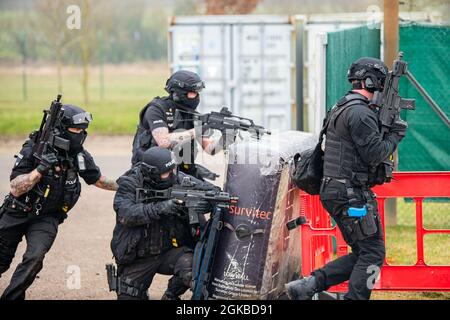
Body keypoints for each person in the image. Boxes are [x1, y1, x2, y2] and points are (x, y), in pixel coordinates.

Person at [285, 57, 408, 300]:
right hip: (351, 197)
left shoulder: (342, 106)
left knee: (365, 251)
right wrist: (395, 135)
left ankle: (308, 286)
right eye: (379, 83)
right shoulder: (360, 113)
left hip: (342, 193)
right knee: (372, 253)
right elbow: (374, 154)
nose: (380, 90)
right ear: (371, 81)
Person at [0, 104, 118, 300]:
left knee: (34, 258)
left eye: (83, 131)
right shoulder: (34, 148)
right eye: (75, 130)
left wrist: (127, 185)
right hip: (17, 211)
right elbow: (15, 187)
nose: (80, 135)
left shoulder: (78, 154)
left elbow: (99, 180)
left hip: (46, 217)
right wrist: (39, 170)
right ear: (62, 129)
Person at [111, 146, 212, 300]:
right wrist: (162, 208)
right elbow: (126, 214)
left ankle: (171, 295)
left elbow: (212, 191)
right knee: (129, 296)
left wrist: (207, 204)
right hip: (139, 256)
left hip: (171, 253)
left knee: (193, 267)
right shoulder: (129, 183)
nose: (173, 175)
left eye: (174, 169)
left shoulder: (178, 178)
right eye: (167, 173)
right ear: (151, 174)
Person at [131, 70, 218, 181]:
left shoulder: (194, 115)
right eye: (191, 93)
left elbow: (210, 149)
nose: (195, 96)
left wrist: (226, 137)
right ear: (177, 93)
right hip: (153, 172)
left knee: (213, 194)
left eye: (197, 93)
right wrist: (198, 130)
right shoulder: (156, 109)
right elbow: (163, 142)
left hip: (181, 171)